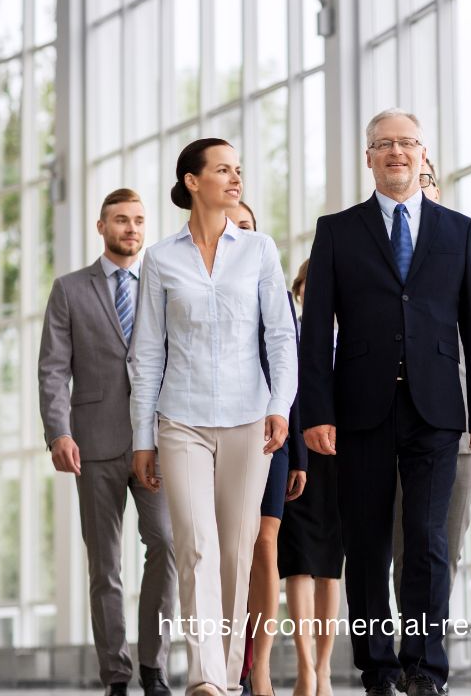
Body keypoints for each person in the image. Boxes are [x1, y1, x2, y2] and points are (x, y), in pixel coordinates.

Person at [298, 108, 471, 696]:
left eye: (406, 143)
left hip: (437, 410)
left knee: (428, 541)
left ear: (422, 153)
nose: (396, 153)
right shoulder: (337, 230)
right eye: (383, 144)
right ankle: (378, 668)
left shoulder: (458, 230)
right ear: (368, 157)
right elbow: (316, 333)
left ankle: (425, 667)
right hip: (358, 408)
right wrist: (317, 412)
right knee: (364, 544)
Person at [130, 138, 297, 696]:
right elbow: (148, 352)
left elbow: (280, 335)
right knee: (195, 543)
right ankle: (204, 674)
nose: (235, 179)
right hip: (181, 421)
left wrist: (279, 407)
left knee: (236, 548)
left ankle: (229, 674)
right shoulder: (161, 258)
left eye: (239, 169)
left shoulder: (259, 250)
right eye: (223, 170)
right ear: (192, 181)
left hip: (250, 420)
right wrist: (142, 438)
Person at [38, 188, 176, 696]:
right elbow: (53, 369)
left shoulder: (162, 285)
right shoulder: (70, 289)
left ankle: (155, 666)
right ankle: (117, 675)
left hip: (156, 441)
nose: (132, 229)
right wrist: (58, 432)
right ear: (101, 226)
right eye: (121, 220)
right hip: (92, 443)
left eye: (139, 220)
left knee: (165, 544)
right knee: (105, 564)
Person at [391, 155, 471, 611]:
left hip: (455, 424)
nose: (417, 184)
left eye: (427, 177)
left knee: (443, 544)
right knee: (403, 548)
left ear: (437, 189)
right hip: (388, 419)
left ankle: (428, 654)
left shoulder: (459, 241)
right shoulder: (380, 245)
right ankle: (410, 651)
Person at [233, 201, 309, 696]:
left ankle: (258, 667)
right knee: (223, 551)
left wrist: (299, 452)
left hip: (269, 434)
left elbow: (289, 372)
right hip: (208, 430)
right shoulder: (185, 279)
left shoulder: (276, 292)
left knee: (264, 543)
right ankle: (223, 661)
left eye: (247, 227)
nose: (239, 234)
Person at [277, 258, 345, 696]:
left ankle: (324, 667)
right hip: (298, 454)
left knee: (330, 568)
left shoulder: (353, 339)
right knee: (298, 562)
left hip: (342, 458)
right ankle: (304, 665)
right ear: (299, 291)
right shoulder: (289, 335)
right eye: (309, 285)